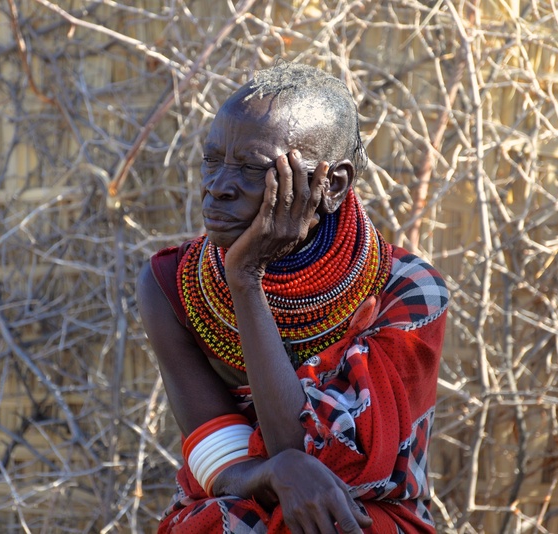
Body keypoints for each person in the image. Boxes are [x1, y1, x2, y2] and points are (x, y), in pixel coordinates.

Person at [136, 61, 449, 533]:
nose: (217, 187)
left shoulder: (405, 289)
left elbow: (330, 467)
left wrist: (247, 278)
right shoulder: (171, 285)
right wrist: (274, 472)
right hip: (237, 504)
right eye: (212, 160)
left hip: (365, 515)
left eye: (252, 168)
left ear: (332, 185)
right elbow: (220, 459)